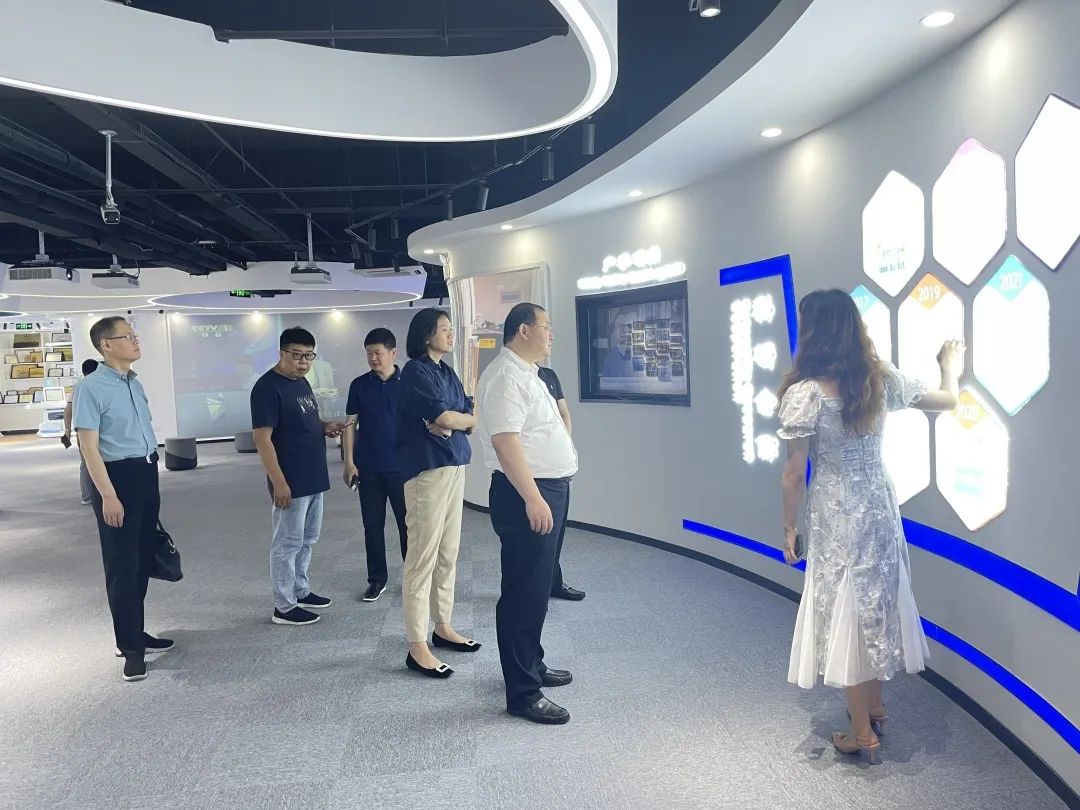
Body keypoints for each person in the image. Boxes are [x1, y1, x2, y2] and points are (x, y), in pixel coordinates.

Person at [776, 288, 964, 764]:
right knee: (875, 603)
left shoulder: (806, 394)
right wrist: (949, 367)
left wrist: (788, 527)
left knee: (844, 611)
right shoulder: (878, 379)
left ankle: (861, 731)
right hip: (878, 506)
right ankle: (875, 706)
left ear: (813, 331)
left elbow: (794, 474)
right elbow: (947, 400)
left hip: (836, 512)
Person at [477, 302, 578, 725]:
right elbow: (506, 444)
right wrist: (534, 498)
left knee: (537, 589)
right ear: (523, 330)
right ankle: (522, 693)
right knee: (524, 592)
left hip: (545, 489)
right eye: (546, 326)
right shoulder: (505, 376)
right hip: (526, 494)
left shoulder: (528, 373)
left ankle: (530, 665)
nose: (551, 334)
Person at [73, 317, 173, 682]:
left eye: (134, 334)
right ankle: (130, 648)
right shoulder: (90, 387)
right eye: (127, 335)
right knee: (122, 564)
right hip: (117, 479)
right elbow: (88, 446)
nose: (135, 340)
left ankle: (135, 631)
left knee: (143, 557)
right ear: (107, 345)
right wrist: (108, 495)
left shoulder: (134, 382)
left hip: (146, 472)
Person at [397, 308, 480, 678]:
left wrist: (456, 421)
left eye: (450, 329)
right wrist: (451, 420)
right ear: (425, 334)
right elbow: (445, 418)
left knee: (448, 553)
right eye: (443, 329)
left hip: (454, 463)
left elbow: (467, 415)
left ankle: (442, 626)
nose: (450, 334)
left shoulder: (446, 371)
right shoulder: (415, 371)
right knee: (422, 558)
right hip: (426, 470)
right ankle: (417, 646)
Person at [250, 327, 344, 627]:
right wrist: (279, 482)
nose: (304, 362)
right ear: (282, 353)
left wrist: (324, 426)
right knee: (287, 543)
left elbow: (305, 418)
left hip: (313, 473)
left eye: (309, 356)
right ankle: (284, 605)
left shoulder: (301, 382)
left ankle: (300, 590)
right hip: (290, 479)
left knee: (307, 539)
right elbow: (262, 439)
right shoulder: (267, 388)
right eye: (297, 355)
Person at [342, 328, 408, 603]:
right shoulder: (359, 385)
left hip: (403, 468)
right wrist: (349, 462)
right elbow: (350, 424)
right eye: (369, 353)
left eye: (378, 353)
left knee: (409, 526)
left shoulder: (408, 383)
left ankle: (413, 579)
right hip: (368, 467)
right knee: (372, 526)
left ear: (393, 353)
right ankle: (376, 579)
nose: (373, 358)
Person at [535, 364, 585, 602]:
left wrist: (562, 442)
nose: (549, 344)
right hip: (537, 472)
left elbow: (563, 411)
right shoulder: (514, 376)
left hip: (559, 471)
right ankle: (534, 589)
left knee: (556, 534)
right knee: (539, 539)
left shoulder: (549, 375)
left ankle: (554, 582)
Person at [63, 358, 100, 504]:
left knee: (86, 462)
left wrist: (67, 433)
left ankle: (87, 495)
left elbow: (68, 411)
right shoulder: (100, 385)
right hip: (100, 430)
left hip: (82, 431)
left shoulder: (78, 387)